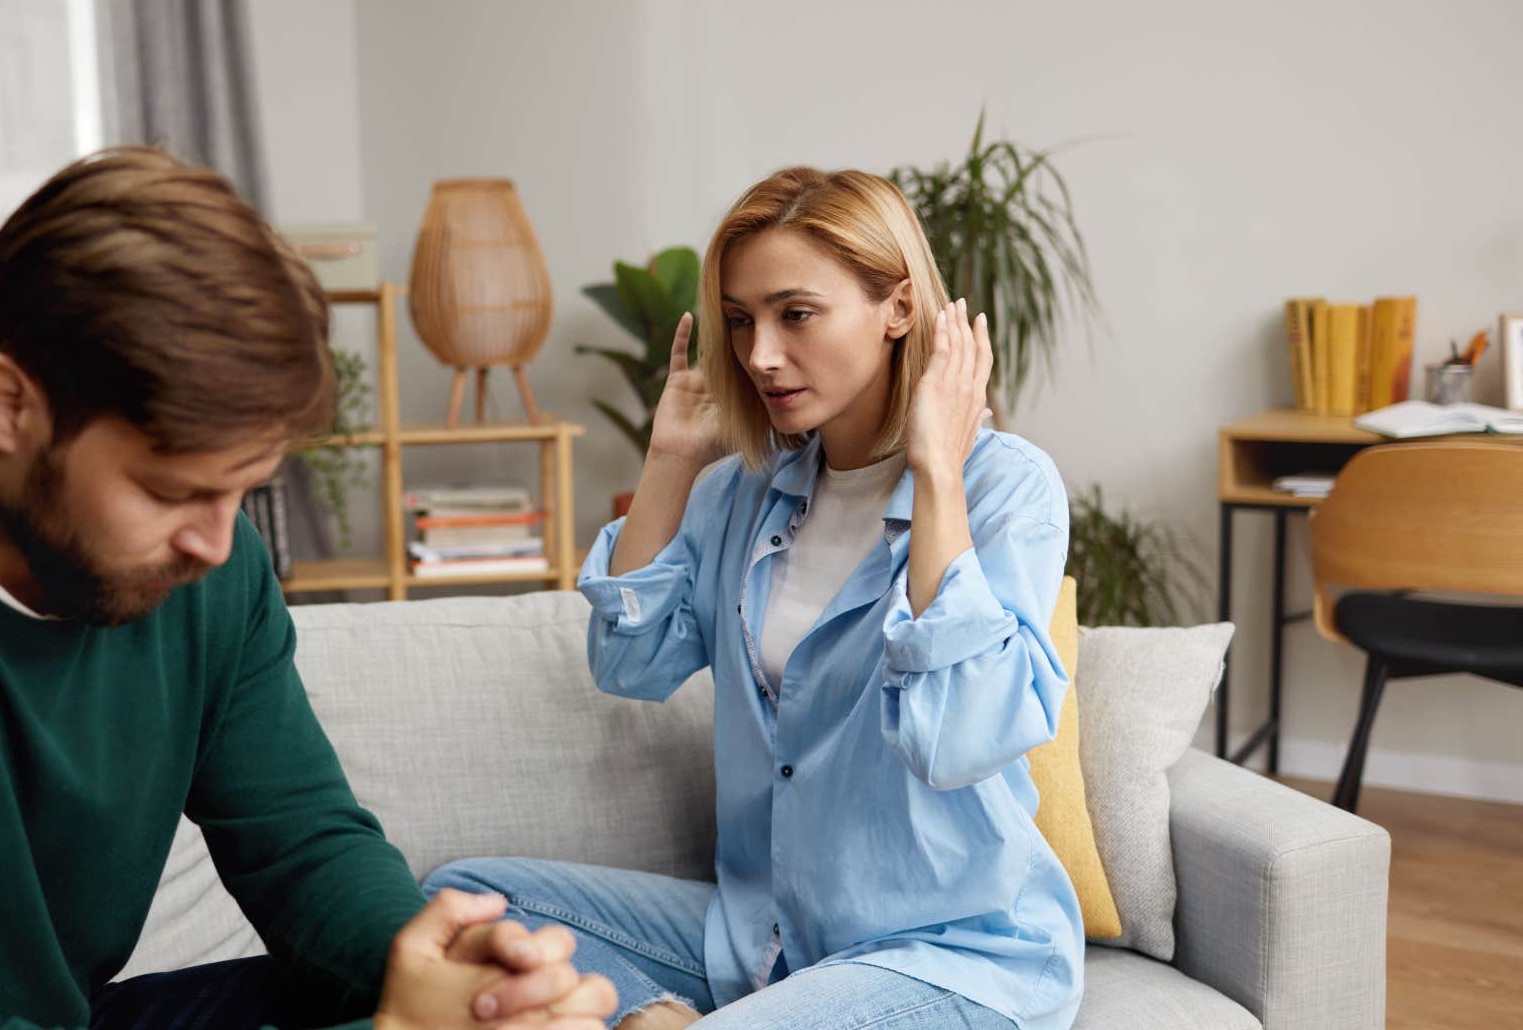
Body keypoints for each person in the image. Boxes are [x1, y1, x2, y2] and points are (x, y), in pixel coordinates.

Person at [0, 146, 615, 1030]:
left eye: (243, 493)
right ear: (10, 403)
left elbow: (300, 843)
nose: (219, 546)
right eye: (170, 490)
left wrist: (444, 980)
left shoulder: (195, 565)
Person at [424, 167, 1083, 1029]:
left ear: (898, 308)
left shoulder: (1005, 489)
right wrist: (671, 460)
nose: (760, 354)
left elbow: (958, 739)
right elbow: (631, 664)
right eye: (741, 320)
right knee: (461, 902)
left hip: (950, 954)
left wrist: (936, 475)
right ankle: (653, 1015)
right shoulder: (744, 489)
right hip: (764, 935)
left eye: (795, 314)